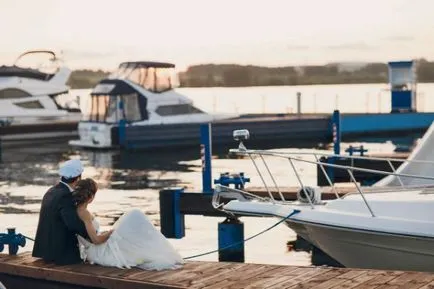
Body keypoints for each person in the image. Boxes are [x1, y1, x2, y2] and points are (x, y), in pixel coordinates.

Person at [73, 178, 184, 270]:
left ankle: (153, 251)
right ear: (91, 197)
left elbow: (91, 236)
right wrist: (109, 234)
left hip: (96, 248)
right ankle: (158, 251)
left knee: (133, 222)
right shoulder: (84, 213)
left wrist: (106, 233)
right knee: (135, 216)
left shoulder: (78, 210)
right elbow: (96, 240)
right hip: (99, 252)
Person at [32, 159, 91, 265]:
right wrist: (92, 233)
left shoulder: (50, 191)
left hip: (45, 251)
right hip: (61, 255)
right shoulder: (66, 196)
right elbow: (73, 224)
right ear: (78, 178)